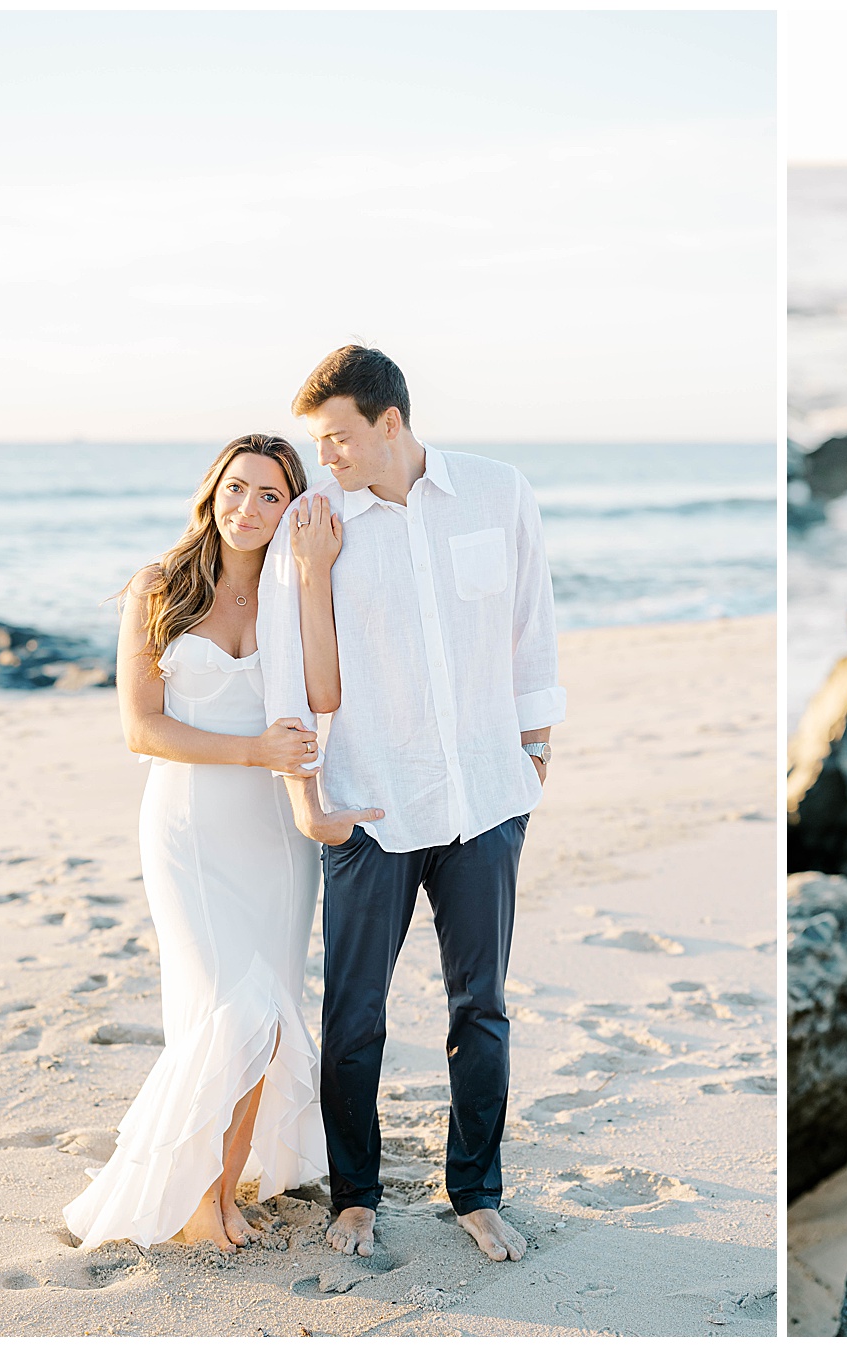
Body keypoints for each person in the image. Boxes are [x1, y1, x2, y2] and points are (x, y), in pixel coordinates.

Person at [257, 345, 565, 1266]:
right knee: (355, 1015)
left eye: (339, 438)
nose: (328, 458)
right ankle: (355, 1196)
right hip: (372, 805)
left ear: (390, 421)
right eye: (320, 442)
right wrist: (311, 799)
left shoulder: (497, 492)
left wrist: (538, 745)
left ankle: (475, 1190)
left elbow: (530, 623)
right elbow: (292, 678)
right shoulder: (313, 527)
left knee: (484, 1008)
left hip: (485, 800)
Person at [64, 433, 375, 1252]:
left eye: (270, 496)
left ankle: (221, 1191)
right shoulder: (159, 586)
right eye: (237, 489)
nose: (248, 509)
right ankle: (200, 1194)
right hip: (191, 828)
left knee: (267, 1020)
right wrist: (251, 750)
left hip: (277, 832)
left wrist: (312, 575)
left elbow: (325, 689)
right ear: (212, 492)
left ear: (293, 508)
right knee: (227, 1008)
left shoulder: (293, 585)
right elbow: (142, 726)